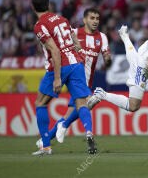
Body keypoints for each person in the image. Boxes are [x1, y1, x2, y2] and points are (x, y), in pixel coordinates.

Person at [31, 0, 96, 156]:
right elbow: (73, 35)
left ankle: (46, 146)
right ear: (49, 5)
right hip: (76, 63)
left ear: (33, 8)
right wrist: (77, 46)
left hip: (61, 66)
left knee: (40, 103)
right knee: (81, 103)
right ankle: (89, 133)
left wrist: (58, 78)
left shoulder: (39, 25)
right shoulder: (61, 19)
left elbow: (54, 51)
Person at [36, 8, 112, 148]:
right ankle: (83, 133)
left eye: (97, 18)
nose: (95, 21)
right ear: (84, 20)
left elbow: (107, 55)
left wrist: (107, 59)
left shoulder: (102, 37)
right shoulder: (74, 33)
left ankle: (46, 140)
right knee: (85, 105)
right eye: (92, 18)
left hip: (86, 82)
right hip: (73, 75)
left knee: (71, 114)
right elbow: (57, 48)